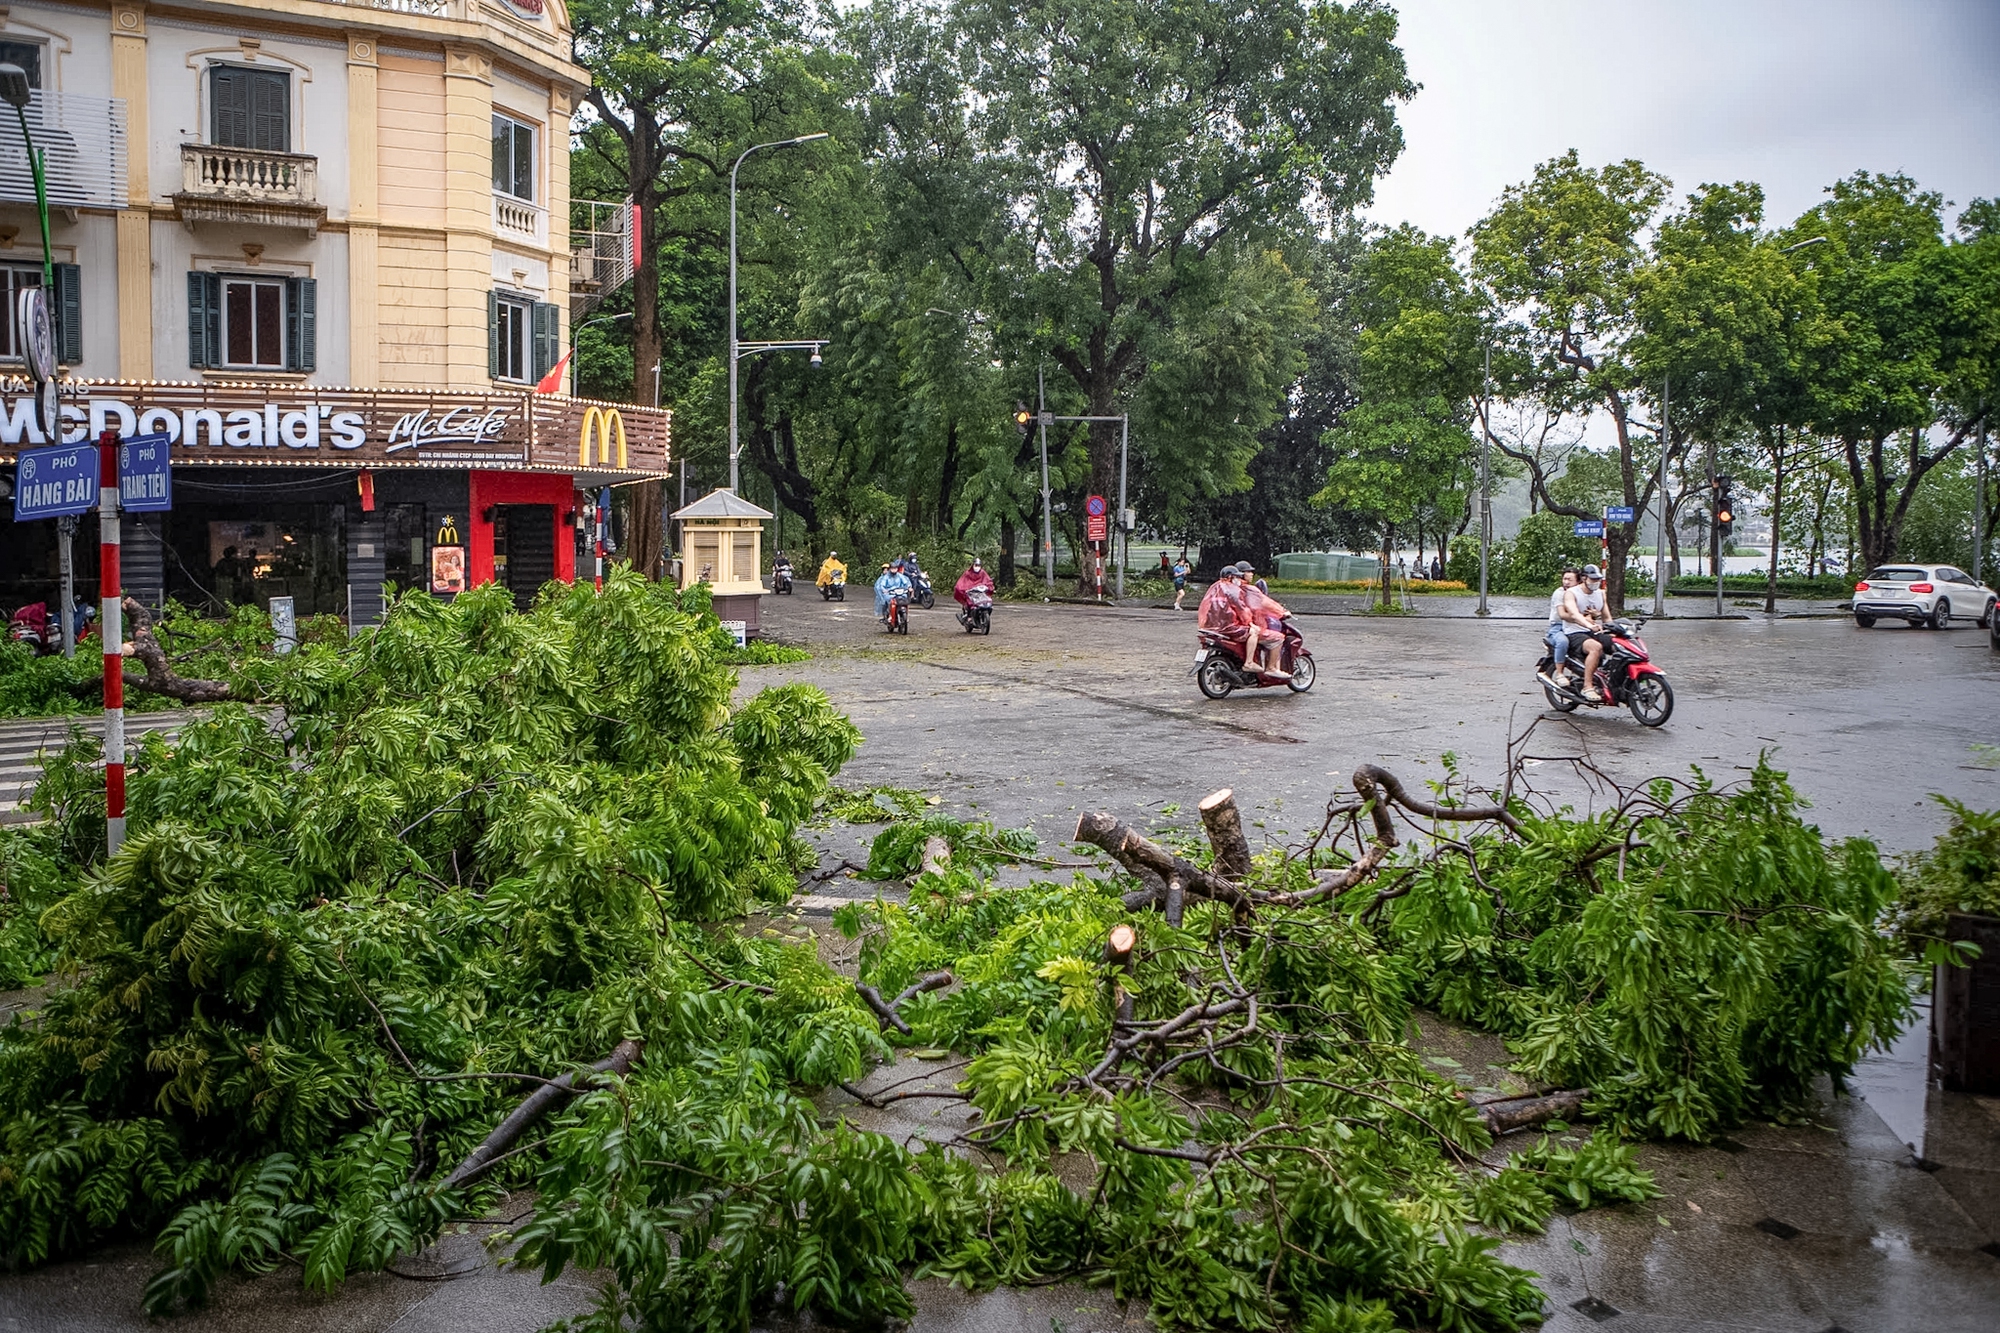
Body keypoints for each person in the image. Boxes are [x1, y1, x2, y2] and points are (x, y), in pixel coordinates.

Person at [1563, 564, 1612, 701]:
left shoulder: (1601, 594)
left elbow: (1607, 617)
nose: (1595, 583)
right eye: (1593, 579)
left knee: (1619, 644)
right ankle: (1587, 686)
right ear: (1584, 578)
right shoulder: (1571, 593)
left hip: (1594, 631)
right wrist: (1588, 625)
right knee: (1595, 648)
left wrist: (1614, 630)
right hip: (1574, 632)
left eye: (1598, 580)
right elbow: (1574, 614)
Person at [1538, 568, 1582, 688]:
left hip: (1576, 626)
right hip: (1559, 627)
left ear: (1578, 582)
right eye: (1564, 579)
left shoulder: (1581, 593)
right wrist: (1583, 619)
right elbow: (1563, 614)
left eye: (1570, 579)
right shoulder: (1559, 593)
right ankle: (1560, 674)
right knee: (1563, 642)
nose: (1566, 582)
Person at [953, 558, 995, 625]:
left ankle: (982, 617)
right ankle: (969, 617)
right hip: (971, 593)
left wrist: (990, 587)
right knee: (970, 603)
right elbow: (962, 582)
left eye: (979, 565)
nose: (977, 567)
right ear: (973, 565)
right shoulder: (967, 573)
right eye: (976, 565)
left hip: (981, 593)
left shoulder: (983, 573)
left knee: (988, 603)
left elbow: (988, 581)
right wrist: (964, 589)